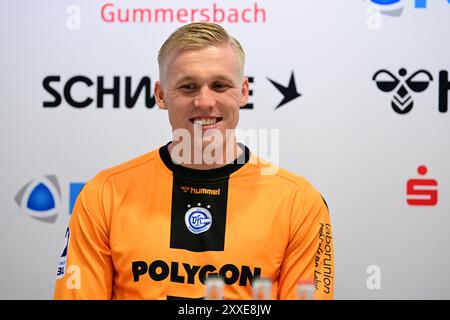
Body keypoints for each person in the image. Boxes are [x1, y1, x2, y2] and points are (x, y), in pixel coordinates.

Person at [53, 22, 334, 300]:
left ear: (244, 92)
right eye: (188, 87)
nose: (204, 102)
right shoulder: (104, 194)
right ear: (161, 95)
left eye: (220, 85)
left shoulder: (299, 201)